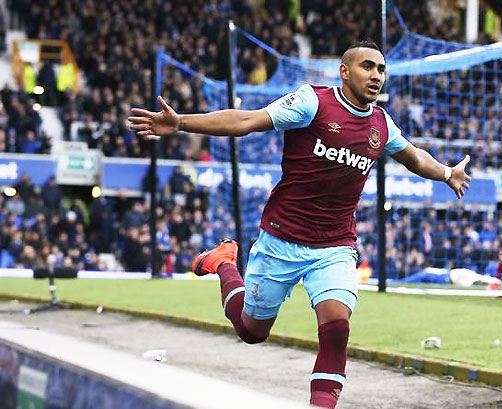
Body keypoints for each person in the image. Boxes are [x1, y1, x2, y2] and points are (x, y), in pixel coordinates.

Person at [129, 41, 471, 408]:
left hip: (336, 245)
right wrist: (181, 122)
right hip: (282, 238)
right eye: (367, 66)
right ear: (344, 70)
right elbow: (247, 121)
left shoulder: (380, 124)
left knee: (337, 327)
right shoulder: (312, 102)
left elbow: (414, 157)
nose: (375, 76)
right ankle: (223, 263)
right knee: (251, 331)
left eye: (381, 69)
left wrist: (448, 172)